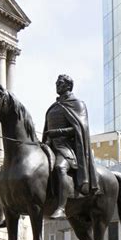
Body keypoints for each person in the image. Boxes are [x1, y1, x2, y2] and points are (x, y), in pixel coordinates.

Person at [42, 74, 99, 219]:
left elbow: (80, 129)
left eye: (60, 83)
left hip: (67, 148)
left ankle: (61, 207)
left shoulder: (77, 104)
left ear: (68, 86)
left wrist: (57, 132)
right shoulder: (53, 107)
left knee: (60, 168)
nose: (57, 84)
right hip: (50, 146)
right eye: (56, 82)